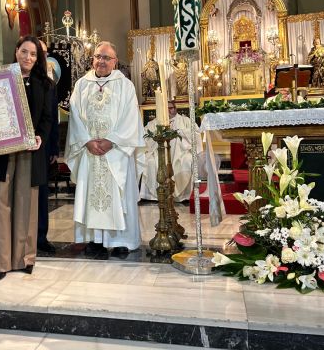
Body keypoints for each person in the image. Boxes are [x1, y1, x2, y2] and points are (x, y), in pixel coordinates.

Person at [0, 36, 52, 280]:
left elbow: (48, 118)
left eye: (33, 54)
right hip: (0, 151)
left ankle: (24, 258)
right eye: (24, 51)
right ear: (16, 51)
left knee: (25, 203)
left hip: (30, 151)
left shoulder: (46, 85)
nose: (28, 57)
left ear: (38, 58)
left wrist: (40, 136)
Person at [65, 41, 145, 258]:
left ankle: (121, 241)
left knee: (120, 197)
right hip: (89, 151)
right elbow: (75, 115)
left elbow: (131, 118)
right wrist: (87, 140)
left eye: (106, 58)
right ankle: (95, 242)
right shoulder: (82, 85)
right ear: (92, 59)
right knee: (93, 196)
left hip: (117, 152)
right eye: (98, 56)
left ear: (115, 61)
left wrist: (112, 140)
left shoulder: (125, 85)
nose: (101, 61)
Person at [140, 101, 203, 203]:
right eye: (166, 108)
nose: (169, 110)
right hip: (158, 153)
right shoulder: (154, 123)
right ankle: (154, 196)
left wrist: (180, 132)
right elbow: (145, 136)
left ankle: (184, 195)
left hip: (181, 153)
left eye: (171, 108)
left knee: (187, 161)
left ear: (175, 108)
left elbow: (196, 133)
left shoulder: (185, 121)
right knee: (150, 162)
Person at [36, 39, 59, 254]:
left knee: (42, 192)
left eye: (44, 52)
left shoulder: (49, 82)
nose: (41, 56)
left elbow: (53, 116)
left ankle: (40, 236)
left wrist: (53, 148)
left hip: (42, 146)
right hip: (18, 146)